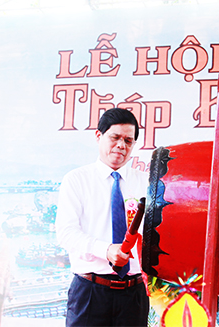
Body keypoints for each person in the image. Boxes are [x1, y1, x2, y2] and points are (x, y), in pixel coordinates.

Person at [56, 108, 149, 327]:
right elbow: (66, 233)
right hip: (90, 292)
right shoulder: (76, 180)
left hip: (134, 294)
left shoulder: (147, 183)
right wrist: (106, 250)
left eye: (128, 140)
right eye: (115, 137)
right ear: (99, 136)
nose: (121, 145)